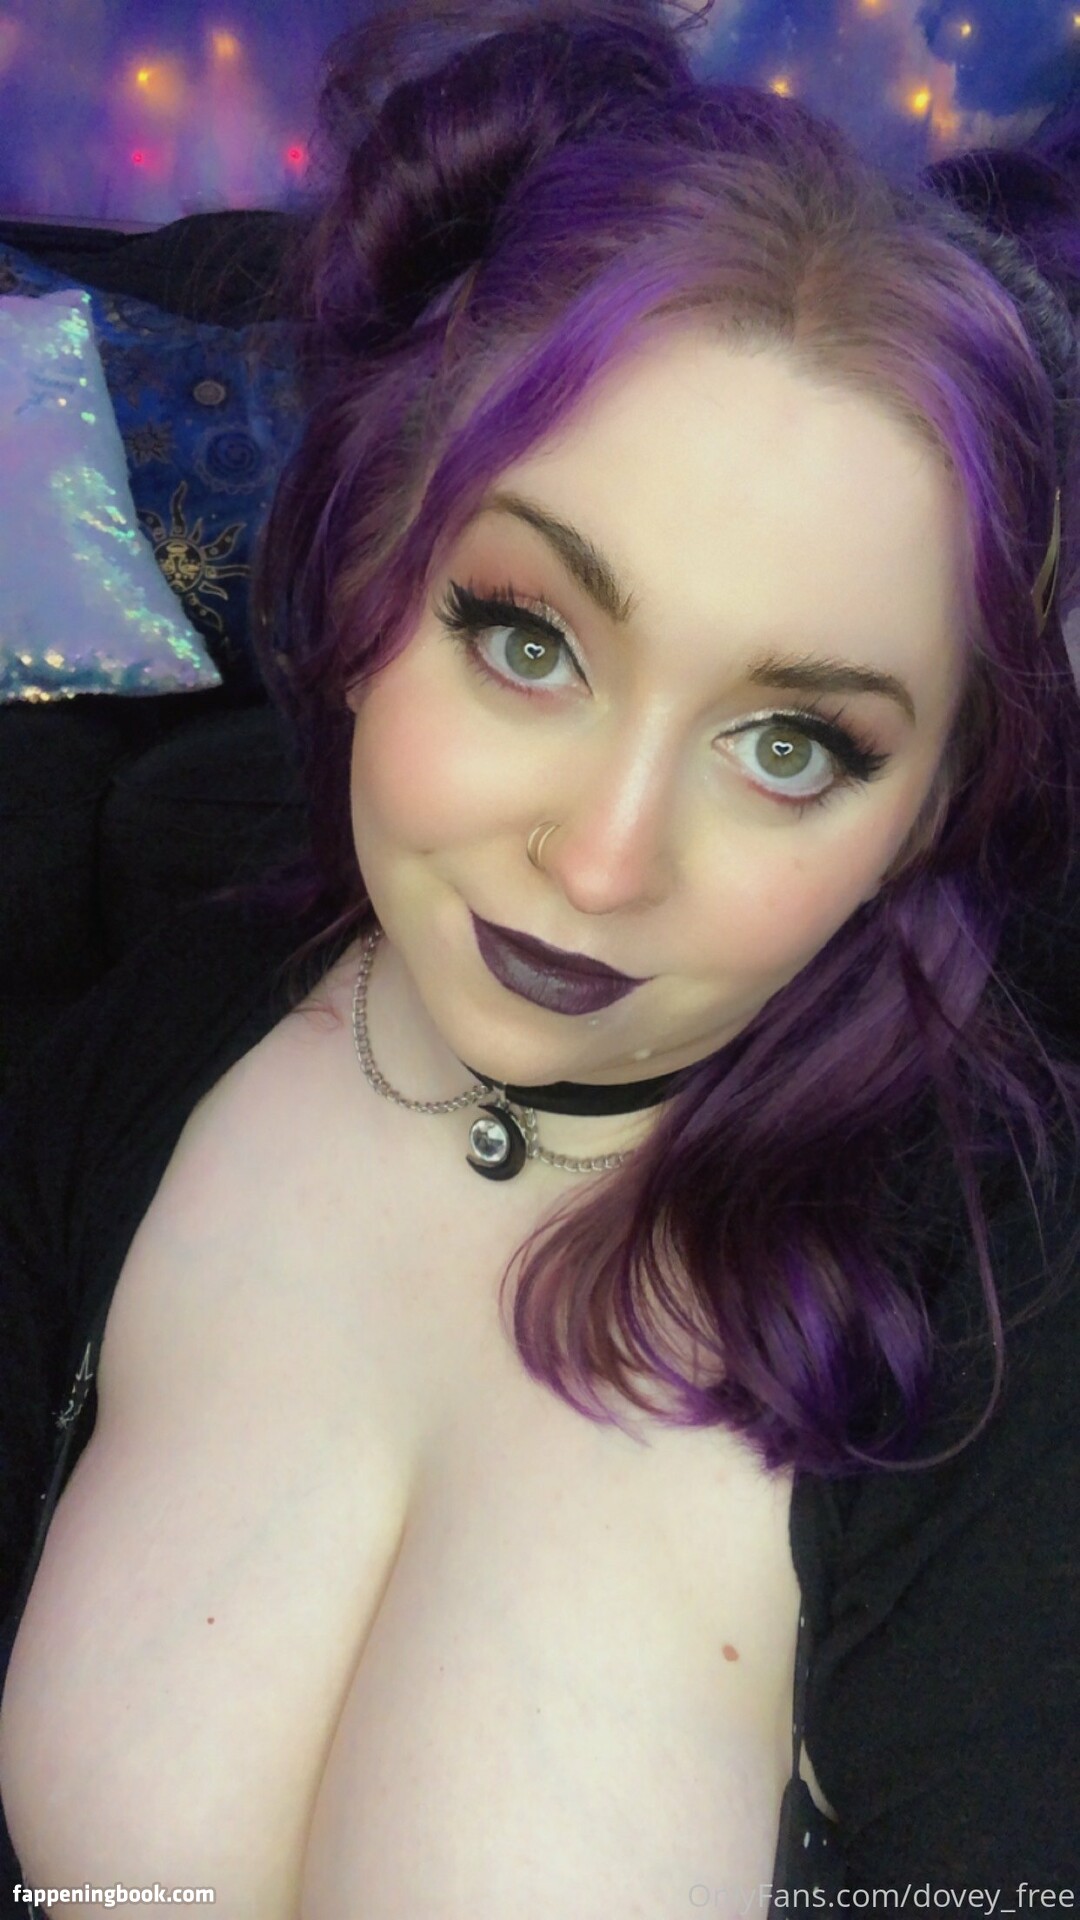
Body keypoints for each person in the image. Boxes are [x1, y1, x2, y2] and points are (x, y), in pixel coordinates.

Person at [1, 1, 1079, 1911]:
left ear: (926, 811)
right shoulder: (134, 1061)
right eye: (526, 638)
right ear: (369, 575)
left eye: (793, 745)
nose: (600, 860)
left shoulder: (1007, 1321)